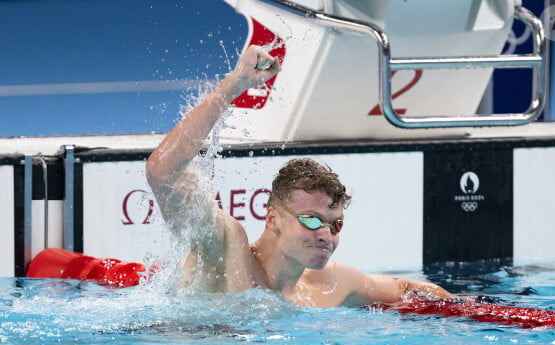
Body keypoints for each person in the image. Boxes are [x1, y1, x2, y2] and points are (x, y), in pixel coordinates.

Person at [146, 45, 455, 307]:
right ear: (272, 218)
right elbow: (162, 172)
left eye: (335, 224)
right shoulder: (225, 247)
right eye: (311, 219)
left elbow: (403, 289)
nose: (326, 235)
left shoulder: (330, 285)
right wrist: (234, 85)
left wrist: (468, 310)